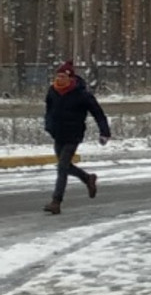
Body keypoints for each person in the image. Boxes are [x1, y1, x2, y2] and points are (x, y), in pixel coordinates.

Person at [43, 60, 110, 214]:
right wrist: (48, 125)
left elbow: (98, 113)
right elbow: (48, 110)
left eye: (63, 76)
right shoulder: (52, 91)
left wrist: (104, 132)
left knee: (62, 168)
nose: (59, 79)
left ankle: (56, 201)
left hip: (73, 135)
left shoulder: (81, 94)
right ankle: (87, 178)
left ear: (71, 78)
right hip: (58, 134)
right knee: (65, 166)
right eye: (58, 76)